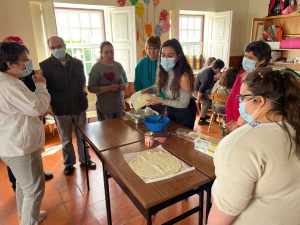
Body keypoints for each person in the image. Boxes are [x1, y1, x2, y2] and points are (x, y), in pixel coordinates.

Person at [207, 67, 300, 225]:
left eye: (242, 98)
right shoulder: (293, 126)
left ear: (259, 101)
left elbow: (218, 221)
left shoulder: (240, 145)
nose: (240, 103)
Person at [0, 42, 51, 224]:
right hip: (21, 147)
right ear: (9, 63)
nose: (28, 62)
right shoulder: (9, 86)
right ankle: (29, 221)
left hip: (12, 143)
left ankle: (28, 216)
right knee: (34, 190)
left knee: (23, 185)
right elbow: (37, 107)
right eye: (23, 60)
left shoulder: (9, 81)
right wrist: (41, 87)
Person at [39, 36, 96, 175]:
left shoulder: (78, 63)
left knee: (83, 136)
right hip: (60, 109)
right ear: (49, 49)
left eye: (59, 46)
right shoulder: (45, 66)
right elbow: (44, 88)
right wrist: (49, 107)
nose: (57, 49)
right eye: (53, 47)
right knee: (66, 140)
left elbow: (82, 82)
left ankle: (85, 159)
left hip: (79, 106)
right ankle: (69, 163)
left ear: (65, 45)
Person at [141, 38, 196, 129]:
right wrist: (147, 90)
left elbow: (183, 103)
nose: (166, 59)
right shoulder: (166, 70)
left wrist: (160, 101)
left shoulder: (183, 76)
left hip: (185, 112)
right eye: (163, 55)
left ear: (178, 56)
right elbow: (161, 85)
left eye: (170, 56)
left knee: (181, 139)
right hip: (172, 108)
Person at [226, 40, 271, 133]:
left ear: (262, 60)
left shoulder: (264, 81)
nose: (246, 60)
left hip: (248, 128)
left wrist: (238, 124)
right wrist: (230, 121)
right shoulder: (241, 77)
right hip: (234, 125)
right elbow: (231, 100)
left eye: (250, 57)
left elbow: (258, 111)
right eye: (245, 56)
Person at [88, 41, 128, 120]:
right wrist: (109, 88)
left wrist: (120, 86)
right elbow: (91, 88)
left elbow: (126, 82)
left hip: (119, 107)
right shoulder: (96, 68)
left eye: (111, 51)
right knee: (107, 132)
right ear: (101, 53)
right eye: (106, 52)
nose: (110, 54)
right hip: (104, 110)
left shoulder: (119, 66)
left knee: (121, 131)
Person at [195, 59, 225, 125]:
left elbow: (211, 79)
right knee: (206, 102)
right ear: (218, 69)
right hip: (195, 89)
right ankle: (201, 120)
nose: (220, 71)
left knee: (206, 101)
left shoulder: (209, 68)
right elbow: (201, 90)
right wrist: (199, 100)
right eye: (221, 69)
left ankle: (203, 116)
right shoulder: (208, 78)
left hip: (198, 86)